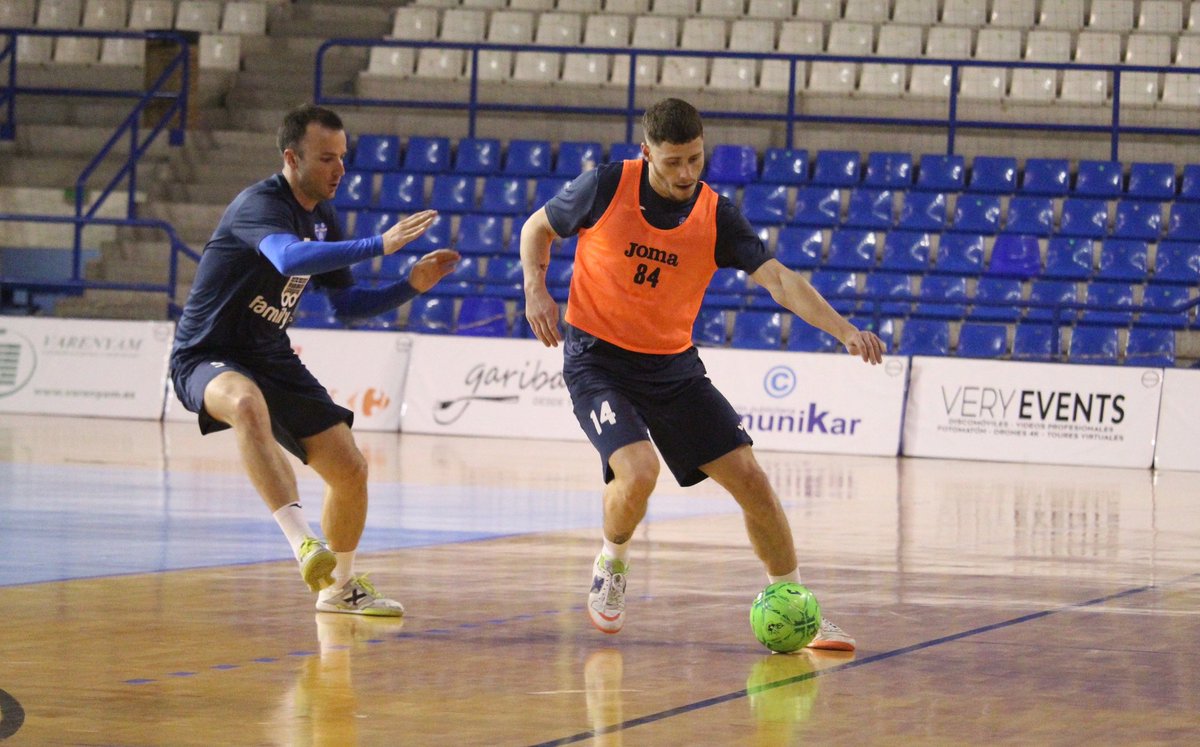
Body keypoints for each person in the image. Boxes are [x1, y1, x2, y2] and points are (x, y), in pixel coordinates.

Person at [520, 98, 885, 650]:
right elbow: (536, 228)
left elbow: (780, 280)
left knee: (752, 480)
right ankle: (612, 561)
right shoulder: (604, 186)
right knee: (639, 473)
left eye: (696, 159)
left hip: (673, 366)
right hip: (597, 359)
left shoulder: (716, 214)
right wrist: (536, 290)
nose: (687, 173)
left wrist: (844, 330)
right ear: (647, 154)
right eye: (674, 163)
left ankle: (794, 605)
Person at [170, 104, 459, 617]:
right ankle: (303, 542)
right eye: (327, 159)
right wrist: (379, 243)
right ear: (291, 158)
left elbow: (347, 307)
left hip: (270, 355)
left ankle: (340, 588)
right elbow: (287, 257)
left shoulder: (324, 217)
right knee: (245, 404)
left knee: (350, 469)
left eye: (343, 158)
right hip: (207, 355)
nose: (339, 170)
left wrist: (408, 286)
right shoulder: (259, 205)